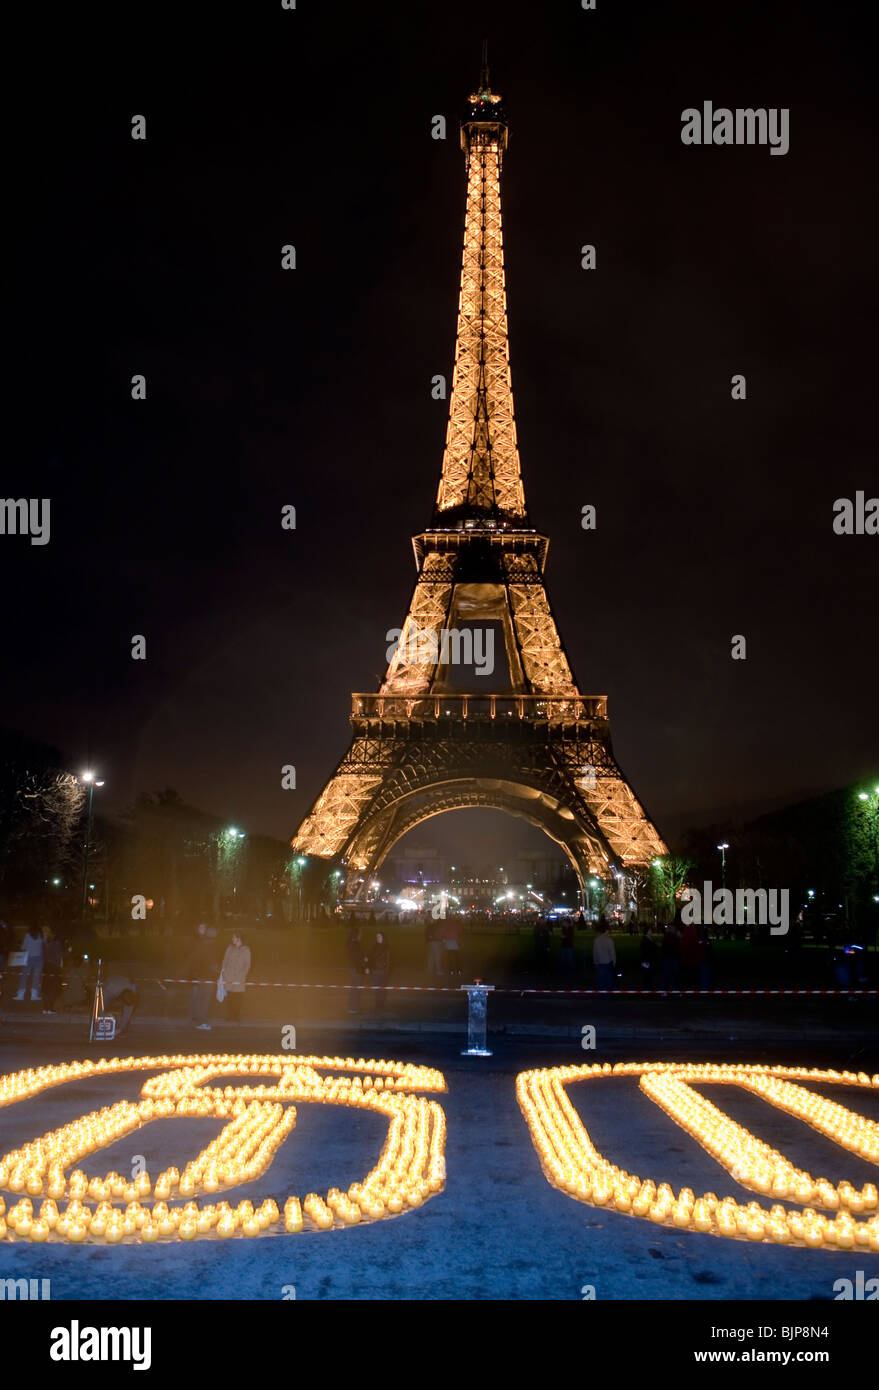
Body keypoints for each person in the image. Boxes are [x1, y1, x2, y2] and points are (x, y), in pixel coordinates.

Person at [187, 922, 219, 1030]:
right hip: (202, 975)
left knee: (200, 999)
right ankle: (200, 1021)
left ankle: (197, 1019)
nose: (203, 929)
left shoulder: (206, 942)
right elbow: (197, 960)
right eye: (201, 927)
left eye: (205, 927)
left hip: (202, 975)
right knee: (202, 999)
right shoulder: (200, 943)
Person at [220, 933, 251, 1024]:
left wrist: (243, 975)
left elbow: (247, 965)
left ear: (239, 938)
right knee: (230, 997)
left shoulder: (246, 950)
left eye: (234, 937)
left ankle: (236, 1016)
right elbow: (224, 961)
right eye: (232, 937)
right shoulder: (229, 948)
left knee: (238, 997)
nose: (232, 939)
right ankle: (230, 1015)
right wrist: (224, 973)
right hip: (229, 976)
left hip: (239, 978)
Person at [16, 926, 44, 1001]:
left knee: (24, 976)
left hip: (28, 957)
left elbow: (23, 947)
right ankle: (34, 995)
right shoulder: (41, 935)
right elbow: (43, 945)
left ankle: (20, 995)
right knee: (36, 977)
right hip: (38, 958)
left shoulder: (27, 935)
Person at [41, 926, 64, 1014]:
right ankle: (50, 1008)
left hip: (46, 966)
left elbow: (43, 955)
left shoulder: (44, 943)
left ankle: (45, 1008)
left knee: (46, 988)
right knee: (53, 989)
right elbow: (59, 956)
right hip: (54, 967)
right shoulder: (56, 943)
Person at [367, 932, 391, 1014]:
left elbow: (388, 961)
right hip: (375, 971)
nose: (378, 938)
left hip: (382, 971)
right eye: (376, 936)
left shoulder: (387, 948)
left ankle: (381, 1005)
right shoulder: (374, 947)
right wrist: (368, 968)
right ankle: (377, 1005)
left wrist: (386, 972)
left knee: (382, 989)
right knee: (376, 989)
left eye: (379, 936)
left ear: (383, 937)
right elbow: (370, 958)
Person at [346, 923, 366, 1014]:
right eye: (360, 934)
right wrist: (364, 962)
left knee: (354, 989)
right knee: (356, 989)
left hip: (353, 969)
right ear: (357, 934)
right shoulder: (355, 944)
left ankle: (353, 1007)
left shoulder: (350, 943)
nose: (361, 935)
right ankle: (354, 1008)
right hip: (356, 969)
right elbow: (357, 958)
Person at [592, 925, 616, 990]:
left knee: (600, 980)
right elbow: (612, 953)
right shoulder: (609, 940)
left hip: (599, 962)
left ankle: (601, 994)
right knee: (608, 981)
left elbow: (595, 952)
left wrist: (595, 961)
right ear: (607, 931)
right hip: (608, 963)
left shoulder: (596, 940)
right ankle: (608, 995)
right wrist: (614, 962)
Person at [661, 923, 681, 990]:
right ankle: (673, 989)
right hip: (671, 958)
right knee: (673, 975)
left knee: (669, 975)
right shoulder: (672, 937)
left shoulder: (668, 936)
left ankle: (668, 989)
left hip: (669, 958)